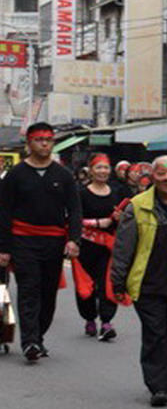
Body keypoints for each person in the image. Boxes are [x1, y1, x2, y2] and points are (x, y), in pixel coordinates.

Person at [111, 156, 167, 407]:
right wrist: (118, 281)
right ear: (153, 176)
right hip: (148, 284)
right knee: (155, 333)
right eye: (162, 174)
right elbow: (123, 247)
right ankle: (157, 385)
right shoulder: (136, 206)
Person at [0, 123, 82, 362]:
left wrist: (74, 240)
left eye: (48, 139)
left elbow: (75, 210)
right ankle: (30, 342)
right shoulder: (14, 175)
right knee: (29, 290)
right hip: (23, 240)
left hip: (53, 241)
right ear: (29, 143)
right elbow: (3, 213)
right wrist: (3, 248)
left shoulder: (64, 175)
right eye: (39, 139)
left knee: (48, 294)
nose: (44, 144)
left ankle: (38, 336)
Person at [75, 153, 122, 340]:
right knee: (86, 286)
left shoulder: (118, 192)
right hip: (85, 246)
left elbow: (128, 217)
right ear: (90, 170)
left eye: (106, 168)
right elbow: (73, 218)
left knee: (107, 284)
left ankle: (106, 322)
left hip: (109, 247)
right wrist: (96, 223)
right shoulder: (81, 193)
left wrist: (120, 218)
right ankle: (89, 318)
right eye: (98, 168)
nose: (103, 171)